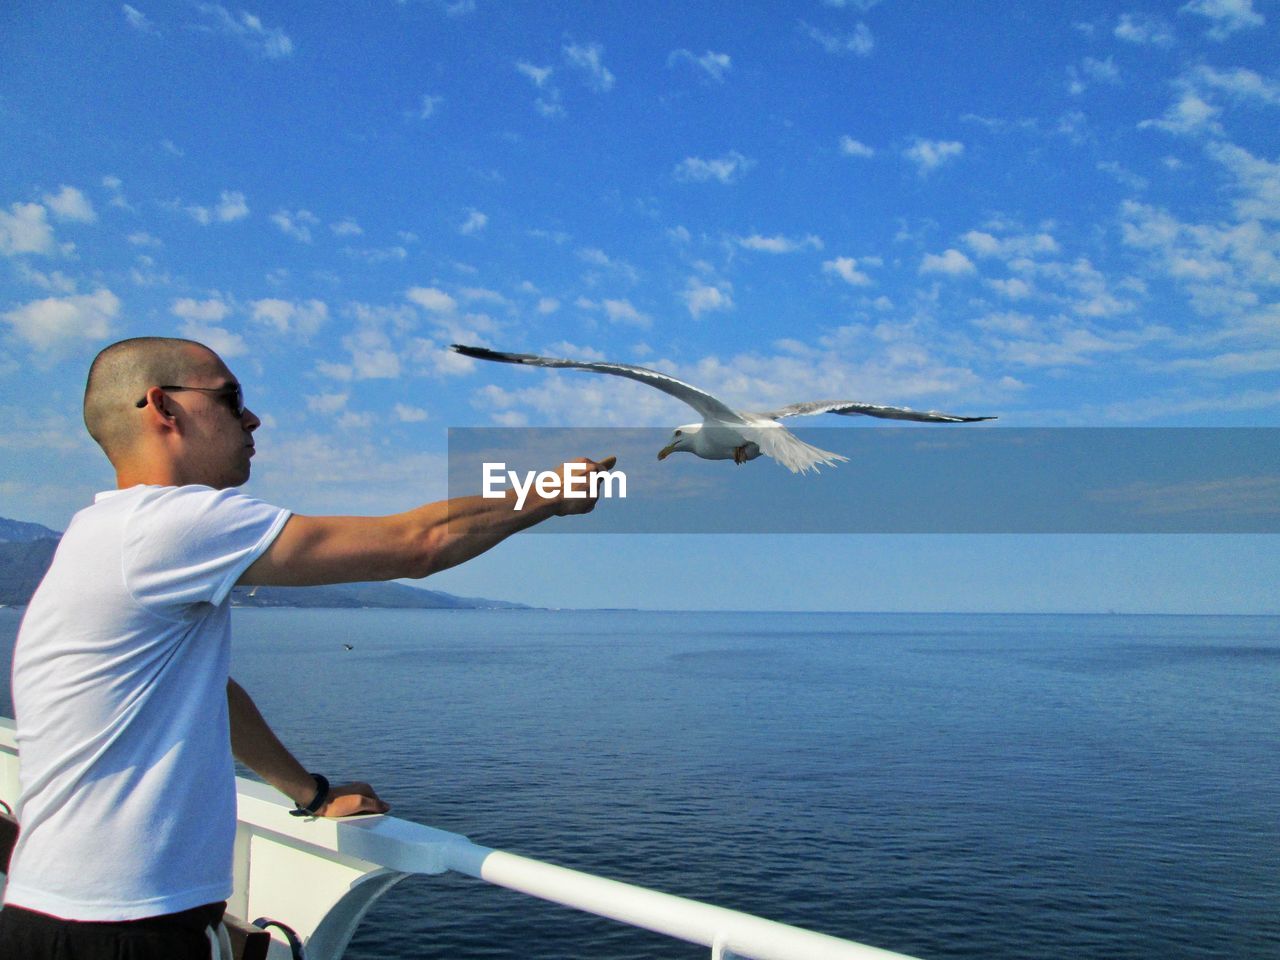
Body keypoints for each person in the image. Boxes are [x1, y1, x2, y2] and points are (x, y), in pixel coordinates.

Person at [0, 336, 614, 959]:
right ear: (164, 408)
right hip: (118, 932)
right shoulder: (171, 524)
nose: (253, 418)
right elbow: (417, 543)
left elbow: (209, 691)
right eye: (232, 398)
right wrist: (548, 496)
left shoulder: (99, 533)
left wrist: (311, 794)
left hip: (58, 912)